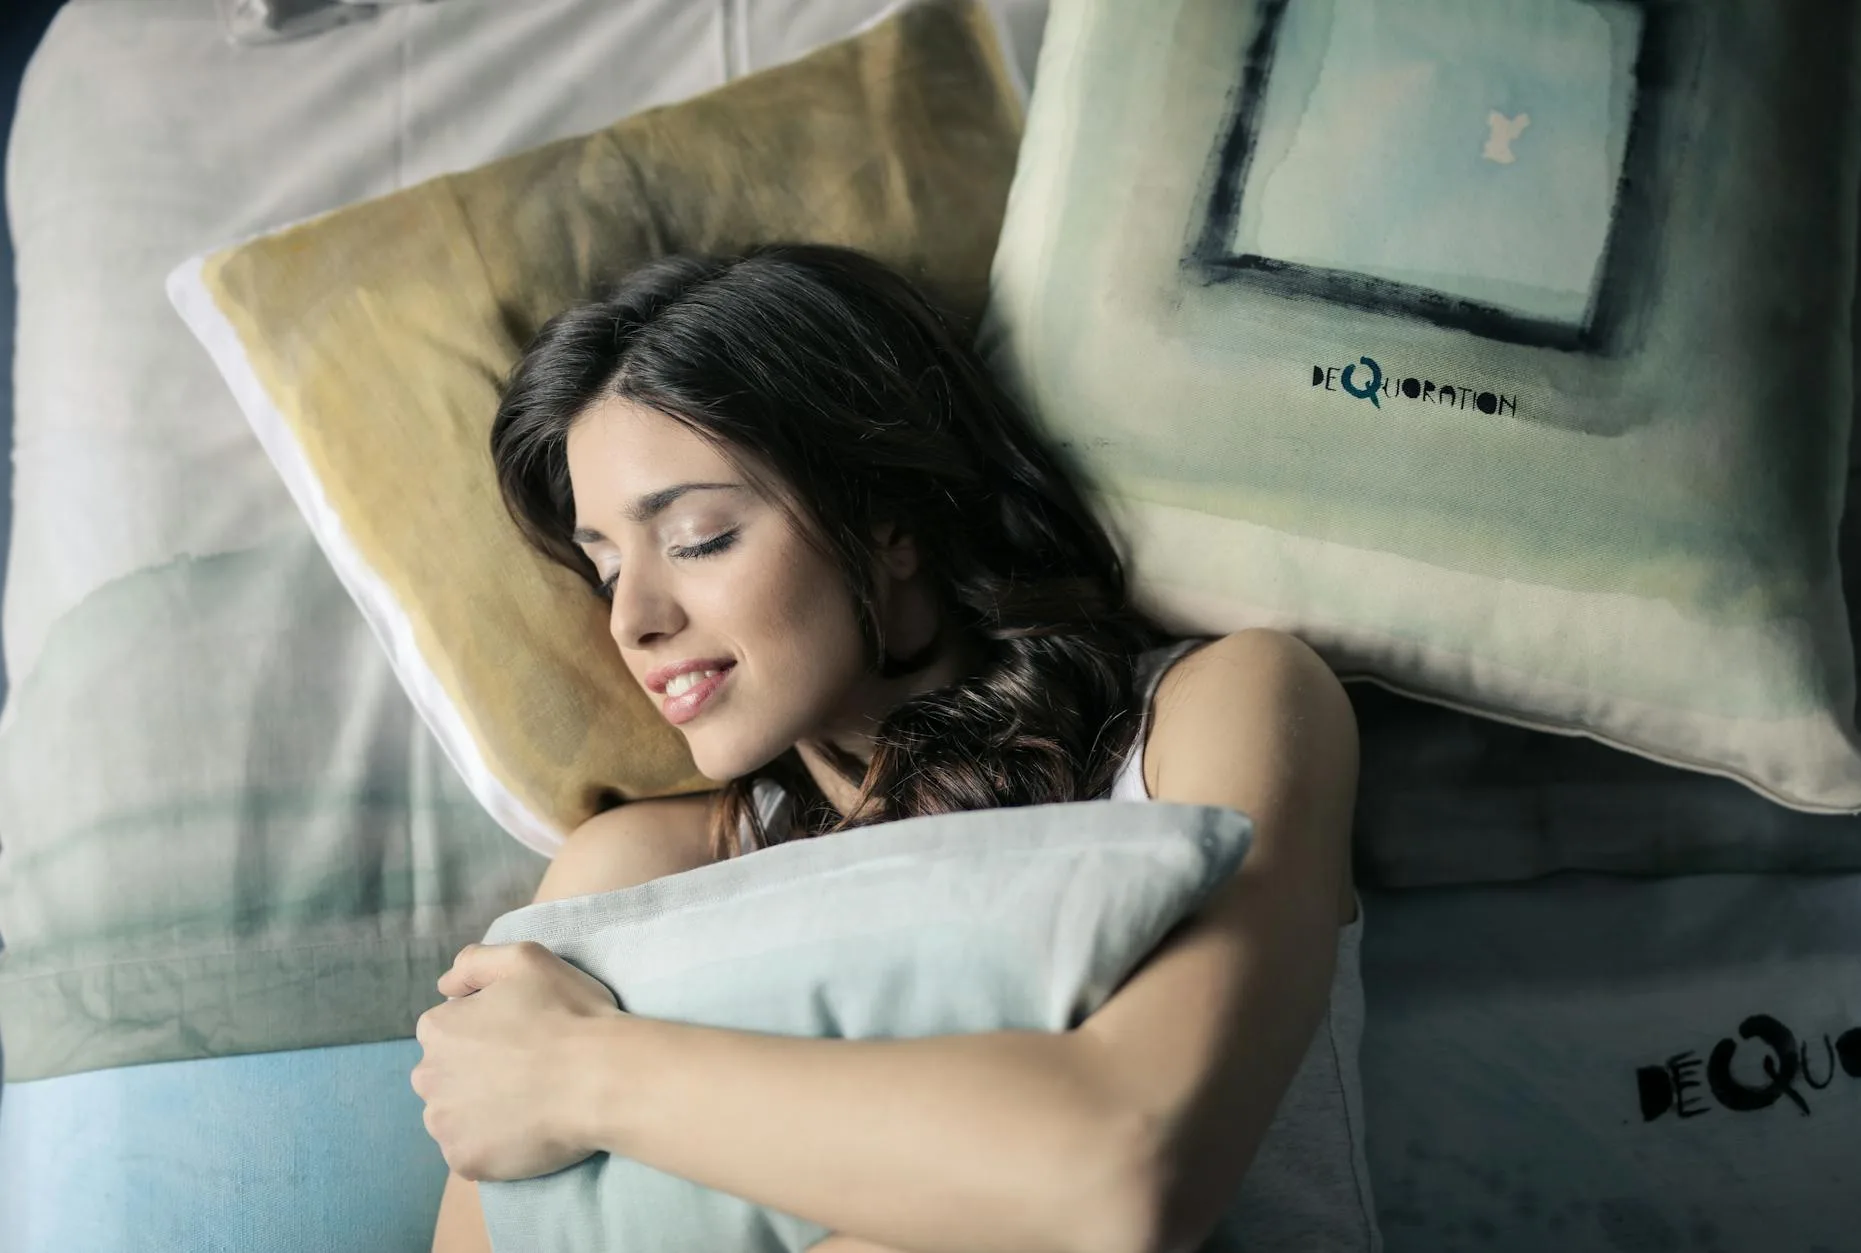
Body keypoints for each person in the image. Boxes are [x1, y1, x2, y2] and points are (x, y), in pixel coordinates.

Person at [414, 244, 1374, 1253]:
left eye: (696, 536)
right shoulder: (643, 870)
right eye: (606, 567)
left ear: (887, 522)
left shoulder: (1218, 713)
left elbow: (1125, 1169)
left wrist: (578, 1071)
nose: (634, 620)